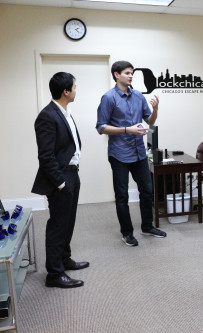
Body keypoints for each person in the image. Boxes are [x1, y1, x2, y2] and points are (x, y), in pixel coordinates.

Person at [96, 60, 166, 247]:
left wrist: (156, 109)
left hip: (139, 153)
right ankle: (127, 233)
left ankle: (147, 226)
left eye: (132, 73)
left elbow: (149, 122)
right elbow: (101, 127)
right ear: (116, 75)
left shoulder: (138, 96)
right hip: (119, 154)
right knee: (122, 196)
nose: (131, 76)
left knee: (147, 191)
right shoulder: (109, 98)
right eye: (127, 73)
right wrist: (128, 130)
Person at [32, 72, 88, 288]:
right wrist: (60, 182)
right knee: (57, 224)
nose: (76, 90)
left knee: (69, 220)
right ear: (66, 91)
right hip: (61, 177)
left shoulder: (64, 112)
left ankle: (64, 259)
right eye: (74, 87)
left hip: (73, 173)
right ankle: (54, 274)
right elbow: (45, 156)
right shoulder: (47, 115)